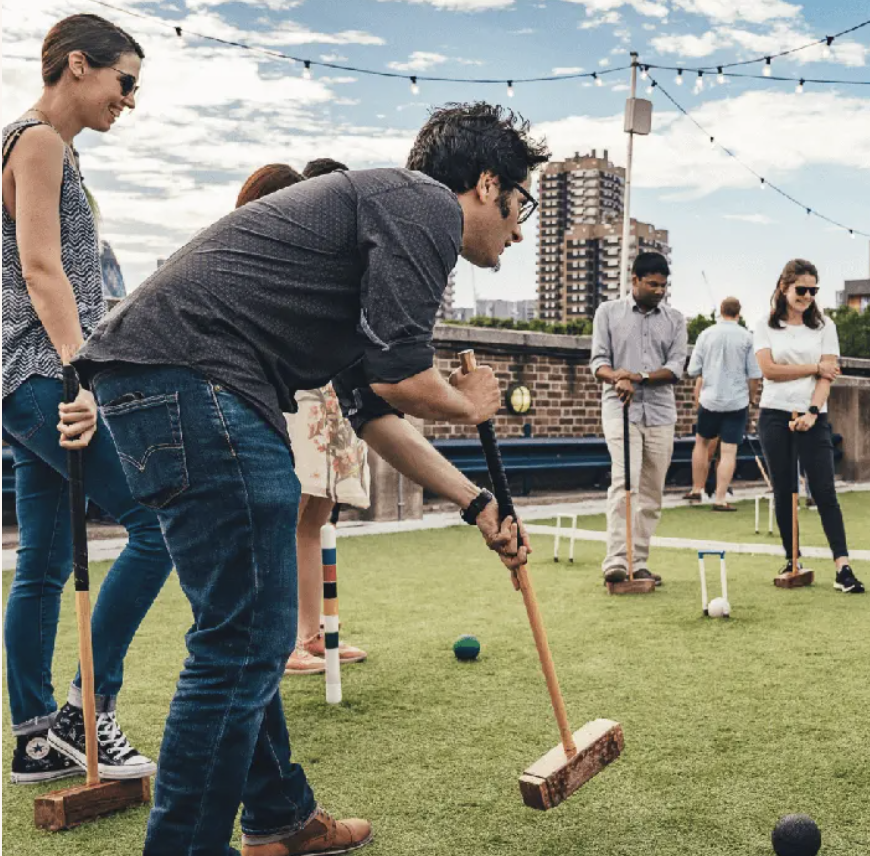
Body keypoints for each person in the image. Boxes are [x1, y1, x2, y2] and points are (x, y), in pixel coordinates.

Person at [75, 102, 545, 856]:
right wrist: (469, 402)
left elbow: (372, 410)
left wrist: (478, 504)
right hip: (199, 380)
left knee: (240, 628)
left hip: (158, 382)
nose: (519, 229)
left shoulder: (375, 228)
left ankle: (277, 818)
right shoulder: (421, 202)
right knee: (246, 637)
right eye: (520, 204)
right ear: (488, 183)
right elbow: (404, 377)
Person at [2, 13, 171, 785]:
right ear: (79, 65)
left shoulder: (48, 147)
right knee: (156, 523)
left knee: (41, 558)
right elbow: (43, 269)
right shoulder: (37, 141)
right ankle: (83, 716)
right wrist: (80, 377)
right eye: (124, 81)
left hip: (26, 374)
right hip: (42, 374)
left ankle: (37, 739)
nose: (129, 99)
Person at [231, 162, 374, 676]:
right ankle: (279, 641)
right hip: (286, 395)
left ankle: (312, 633)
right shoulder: (256, 252)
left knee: (316, 515)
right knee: (287, 516)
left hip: (320, 392)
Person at [754, 259, 865, 593]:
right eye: (801, 290)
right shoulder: (765, 325)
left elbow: (827, 376)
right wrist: (813, 366)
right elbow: (769, 370)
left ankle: (842, 567)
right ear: (783, 287)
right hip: (774, 414)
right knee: (784, 490)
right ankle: (792, 559)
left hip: (813, 417)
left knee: (824, 491)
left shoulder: (824, 327)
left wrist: (813, 412)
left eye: (813, 291)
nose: (807, 296)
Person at [590, 252, 687, 584]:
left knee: (651, 491)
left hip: (660, 413)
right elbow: (598, 362)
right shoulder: (608, 313)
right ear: (634, 280)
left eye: (664, 285)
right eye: (653, 284)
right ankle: (617, 560)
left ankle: (639, 560)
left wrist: (639, 377)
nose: (659, 290)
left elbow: (676, 368)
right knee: (625, 482)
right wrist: (618, 377)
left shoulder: (675, 320)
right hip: (620, 409)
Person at [684, 296, 762, 510]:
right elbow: (754, 375)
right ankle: (720, 498)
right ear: (739, 313)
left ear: (720, 311)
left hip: (709, 399)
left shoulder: (705, 334)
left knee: (701, 443)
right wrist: (752, 397)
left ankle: (697, 489)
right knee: (729, 451)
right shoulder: (747, 337)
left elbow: (693, 370)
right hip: (736, 401)